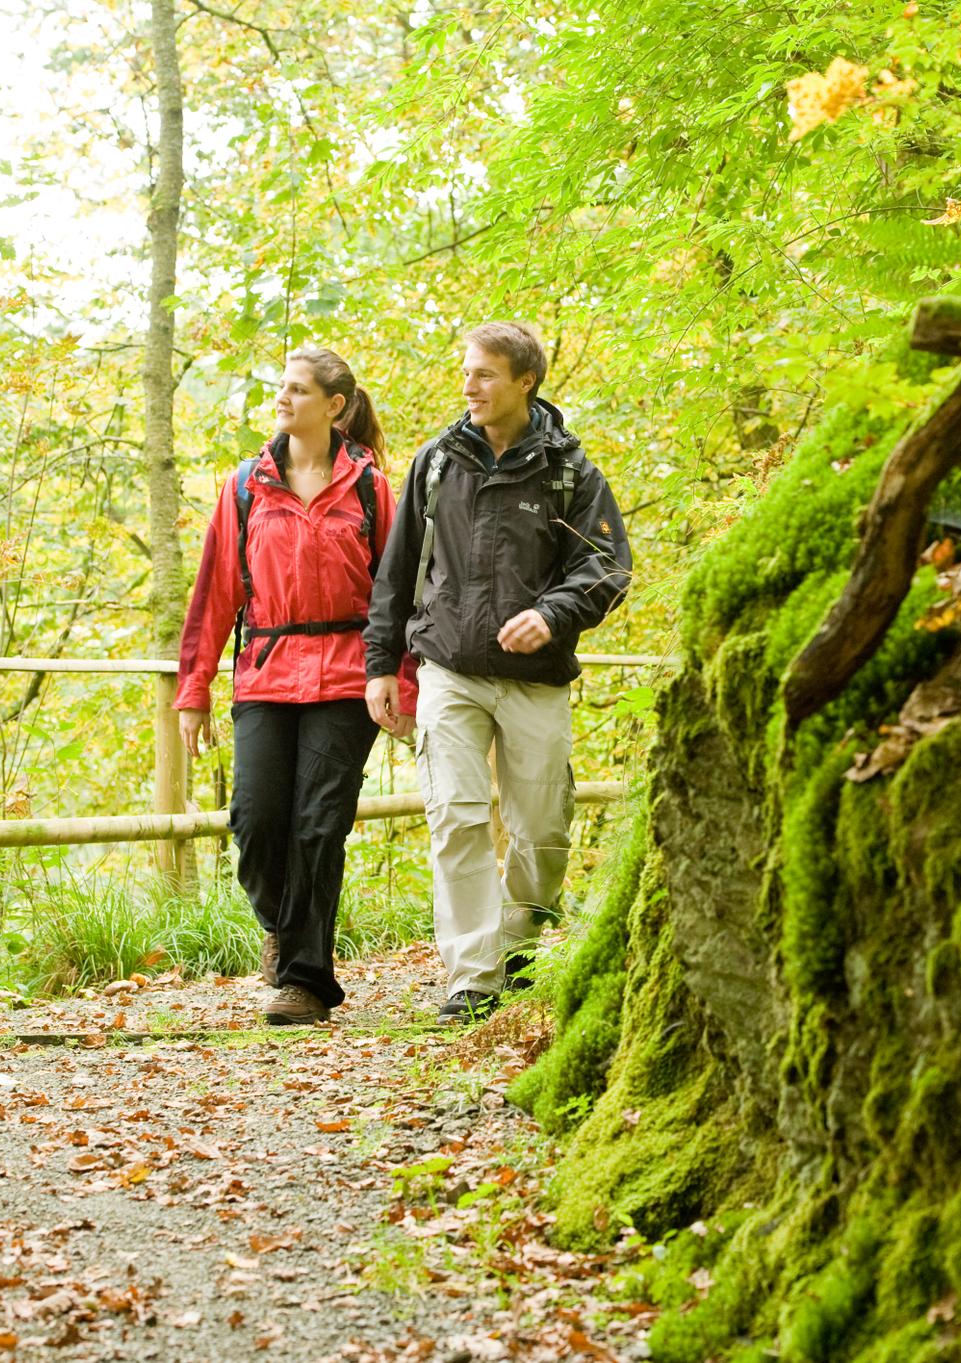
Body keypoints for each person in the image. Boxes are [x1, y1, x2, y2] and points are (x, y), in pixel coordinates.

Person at [363, 321, 632, 1025]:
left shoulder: (570, 471)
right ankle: (472, 977)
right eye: (466, 372)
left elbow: (606, 566)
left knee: (542, 829)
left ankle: (517, 946)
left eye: (484, 374)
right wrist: (381, 664)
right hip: (448, 667)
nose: (468, 386)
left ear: (525, 382)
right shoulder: (436, 464)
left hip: (535, 676)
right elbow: (395, 574)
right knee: (455, 816)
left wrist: (554, 612)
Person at [175, 345, 411, 1026]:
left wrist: (399, 679)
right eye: (282, 388)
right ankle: (284, 925)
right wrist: (195, 690)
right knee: (255, 820)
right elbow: (215, 592)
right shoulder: (247, 485)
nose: (283, 399)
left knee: (319, 823)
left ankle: (305, 979)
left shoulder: (370, 486)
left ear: (335, 407)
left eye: (298, 390)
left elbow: (396, 593)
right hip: (267, 672)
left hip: (347, 676)